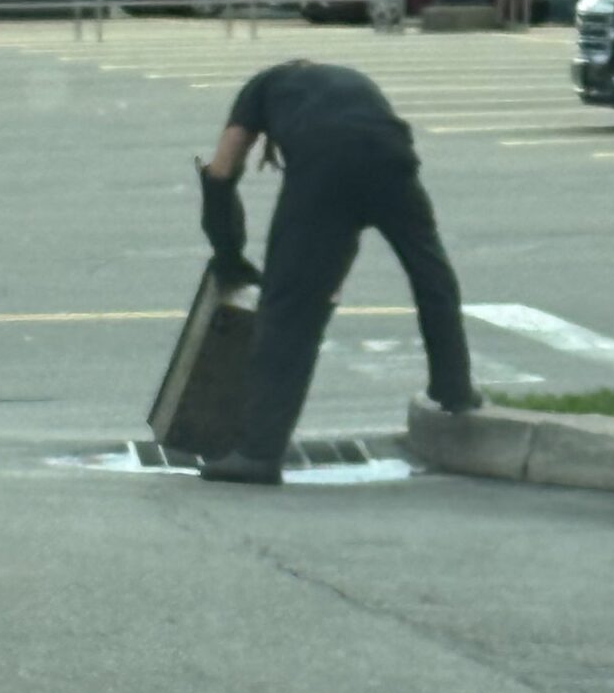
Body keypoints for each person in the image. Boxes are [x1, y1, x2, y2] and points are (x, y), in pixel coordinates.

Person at [195, 60, 481, 486]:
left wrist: (229, 252)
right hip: (392, 156)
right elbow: (345, 216)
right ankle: (453, 387)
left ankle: (257, 454)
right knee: (429, 272)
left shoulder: (259, 89)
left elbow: (222, 170)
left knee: (288, 308)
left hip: (322, 164)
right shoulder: (349, 81)